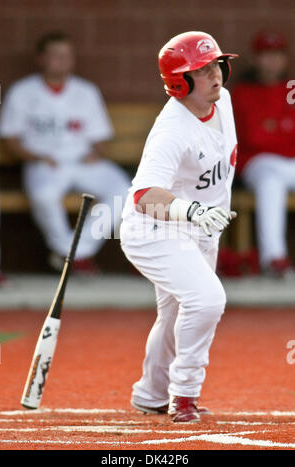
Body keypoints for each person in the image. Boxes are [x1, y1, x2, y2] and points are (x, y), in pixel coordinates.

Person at [120, 31, 238, 423]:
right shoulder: (173, 129)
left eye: (216, 65)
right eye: (202, 71)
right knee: (206, 300)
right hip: (155, 230)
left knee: (173, 316)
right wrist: (190, 212)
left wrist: (201, 217)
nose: (215, 75)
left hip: (201, 227)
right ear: (179, 82)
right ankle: (183, 396)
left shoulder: (223, 101)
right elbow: (143, 196)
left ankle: (149, 394)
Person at [0, 32, 130, 274]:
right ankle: (74, 256)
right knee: (44, 196)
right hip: (44, 162)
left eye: (67, 55)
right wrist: (34, 156)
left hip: (82, 161)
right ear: (41, 59)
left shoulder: (86, 91)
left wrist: (96, 154)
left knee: (123, 191)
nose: (62, 60)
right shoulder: (22, 91)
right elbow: (9, 138)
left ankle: (75, 251)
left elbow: (101, 138)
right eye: (55, 54)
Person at [231, 30, 295, 277]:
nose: (272, 61)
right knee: (271, 182)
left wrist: (273, 131)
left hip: (290, 162)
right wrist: (282, 132)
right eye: (266, 55)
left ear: (285, 59)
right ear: (255, 60)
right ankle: (274, 258)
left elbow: (269, 134)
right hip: (258, 163)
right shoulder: (242, 92)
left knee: (276, 177)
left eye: (277, 55)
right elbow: (254, 138)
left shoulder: (291, 88)